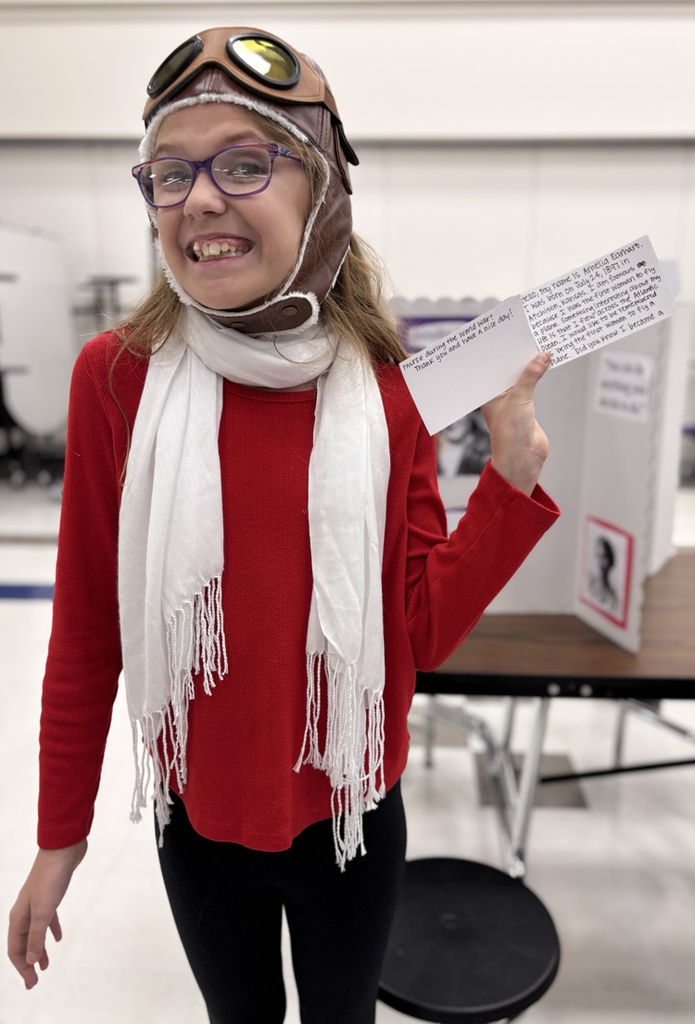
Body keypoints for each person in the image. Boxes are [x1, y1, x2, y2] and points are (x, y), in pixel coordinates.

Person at [7, 26, 560, 1024]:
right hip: (196, 821)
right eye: (169, 174)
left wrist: (510, 482)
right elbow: (88, 628)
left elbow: (418, 633)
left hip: (347, 814)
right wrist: (60, 834)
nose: (201, 198)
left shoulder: (385, 387)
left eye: (245, 162)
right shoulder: (117, 379)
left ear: (320, 195)